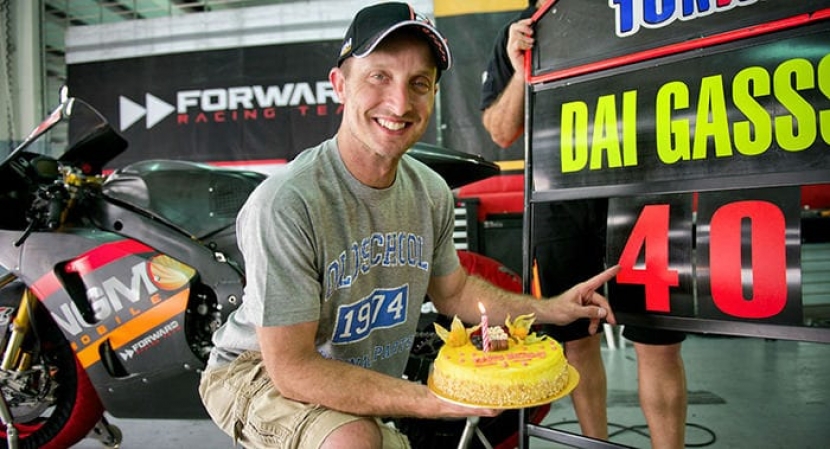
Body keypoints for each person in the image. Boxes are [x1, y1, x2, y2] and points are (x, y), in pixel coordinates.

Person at [198, 3, 620, 449]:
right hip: (256, 370)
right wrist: (434, 401)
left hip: (348, 368)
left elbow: (454, 292)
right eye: (379, 77)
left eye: (418, 83)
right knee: (354, 440)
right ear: (340, 85)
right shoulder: (288, 202)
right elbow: (293, 369)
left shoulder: (430, 192)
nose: (400, 103)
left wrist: (553, 308)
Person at [480, 1, 688, 448]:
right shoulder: (521, 29)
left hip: (647, 185)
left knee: (658, 343)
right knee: (575, 337)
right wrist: (521, 69)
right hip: (559, 197)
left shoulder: (634, 9)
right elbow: (500, 131)